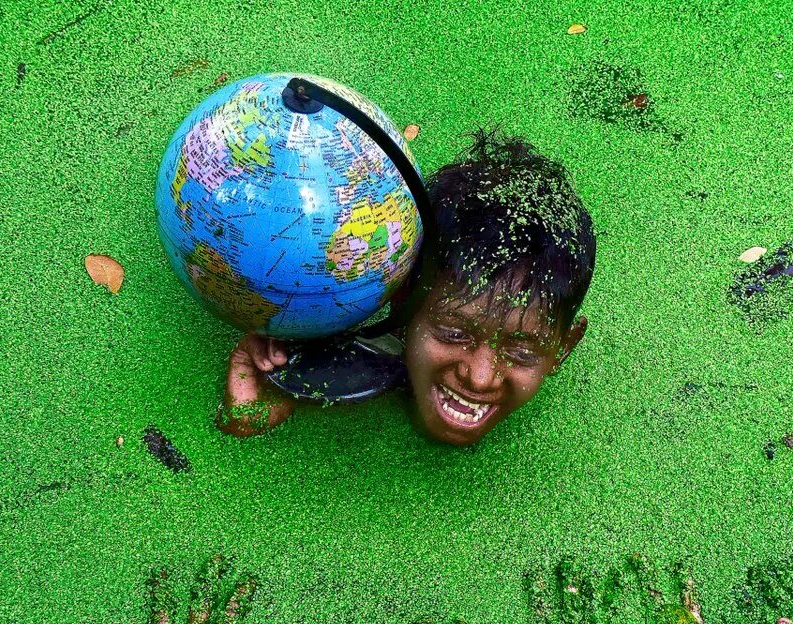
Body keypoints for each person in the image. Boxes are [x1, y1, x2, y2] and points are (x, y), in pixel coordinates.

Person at [217, 127, 596, 446]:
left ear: (563, 349)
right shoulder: (346, 364)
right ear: (400, 302)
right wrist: (260, 398)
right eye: (453, 332)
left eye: (521, 352)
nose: (480, 377)